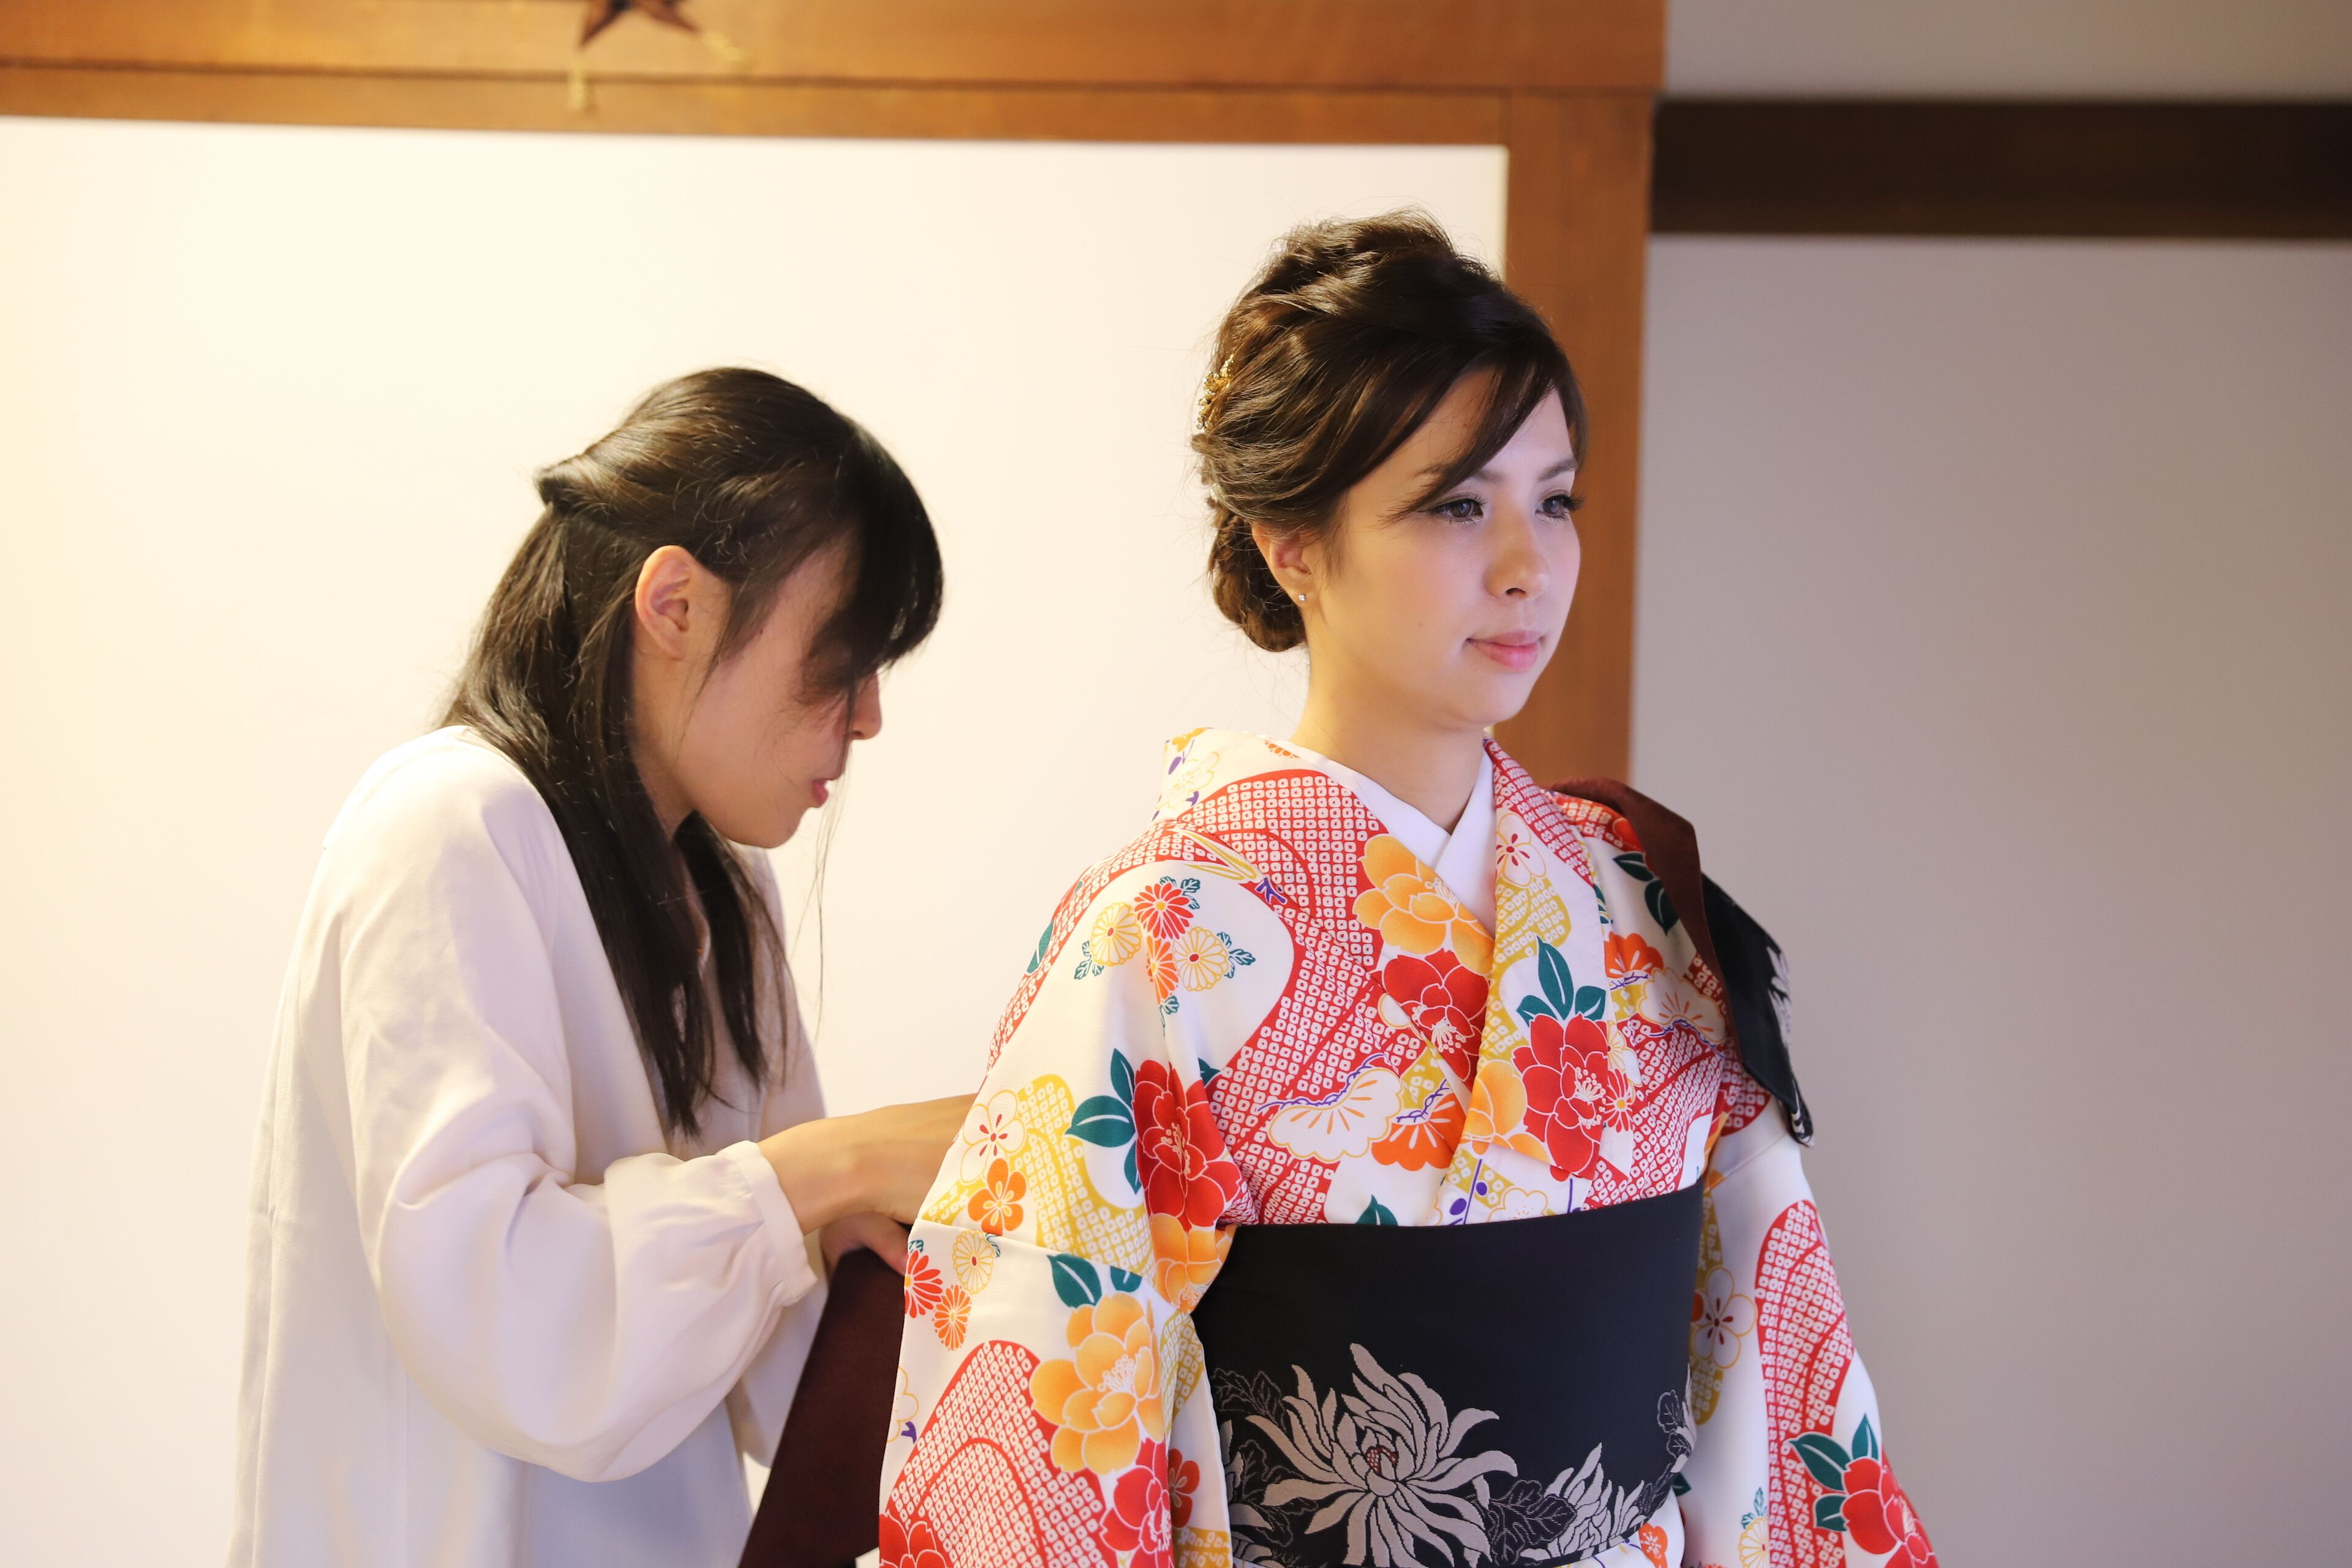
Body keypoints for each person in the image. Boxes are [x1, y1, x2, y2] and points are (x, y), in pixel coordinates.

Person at [878, 216, 1935, 1568]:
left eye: (1555, 500)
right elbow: (1041, 1403)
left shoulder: (1643, 911)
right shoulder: (1164, 934)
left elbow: (1770, 1357)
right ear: (1292, 545)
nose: (1528, 562)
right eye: (1457, 504)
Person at [228, 368, 970, 1568]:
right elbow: (500, 1319)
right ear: (673, 602)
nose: (869, 714)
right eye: (840, 657)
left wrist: (881, 1234)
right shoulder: (449, 825)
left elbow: (768, 1377)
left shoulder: (727, 900)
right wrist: (825, 1170)